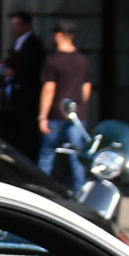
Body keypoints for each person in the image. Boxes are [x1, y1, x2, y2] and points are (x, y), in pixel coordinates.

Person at [36, 23, 93, 192]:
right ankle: (80, 191)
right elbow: (86, 87)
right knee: (77, 157)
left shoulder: (53, 60)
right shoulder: (82, 60)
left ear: (58, 35)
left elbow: (49, 88)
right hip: (77, 116)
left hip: (55, 114)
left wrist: (42, 116)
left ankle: (42, 191)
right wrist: (80, 106)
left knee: (47, 154)